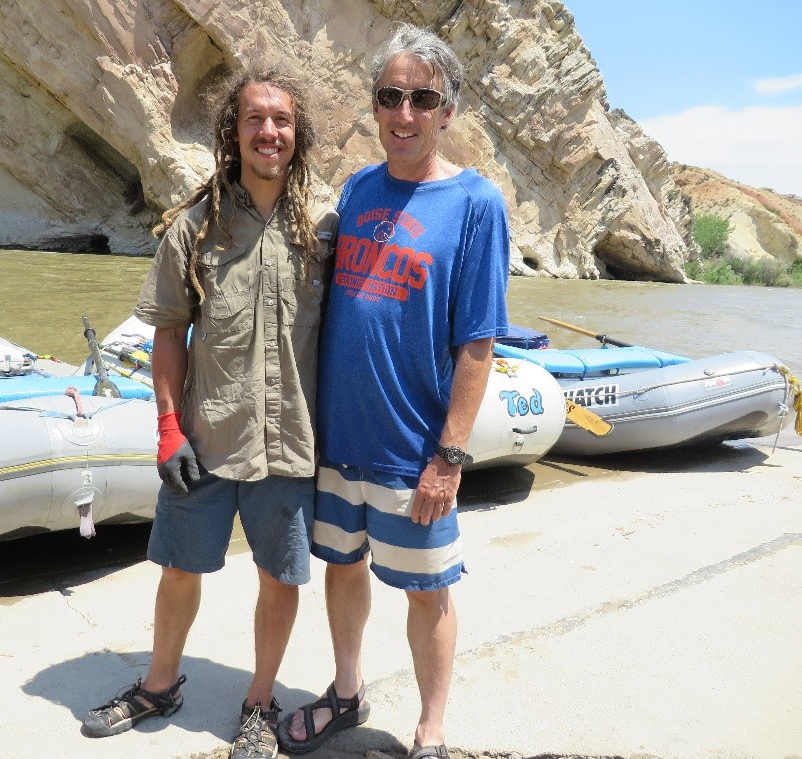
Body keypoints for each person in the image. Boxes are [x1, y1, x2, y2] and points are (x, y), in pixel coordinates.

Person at [80, 66, 336, 759]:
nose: (268, 132)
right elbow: (167, 331)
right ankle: (160, 684)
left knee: (280, 576)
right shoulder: (193, 227)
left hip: (288, 442)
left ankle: (260, 699)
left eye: (280, 120)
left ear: (297, 133)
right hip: (207, 436)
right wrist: (167, 431)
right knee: (178, 568)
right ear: (233, 131)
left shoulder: (323, 228)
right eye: (254, 118)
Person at [279, 24, 510, 759]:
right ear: (375, 108)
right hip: (339, 437)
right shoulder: (357, 187)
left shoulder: (477, 204)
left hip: (413, 449)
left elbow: (477, 342)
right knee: (341, 568)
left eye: (420, 99)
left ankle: (431, 729)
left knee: (426, 589)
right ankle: (346, 691)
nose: (402, 114)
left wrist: (448, 455)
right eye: (389, 97)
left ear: (446, 111)